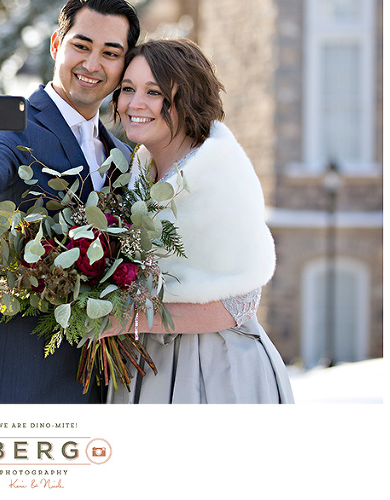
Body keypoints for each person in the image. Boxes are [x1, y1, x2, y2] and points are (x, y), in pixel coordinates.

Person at [0, 0, 141, 403]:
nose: (92, 64)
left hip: (97, 385)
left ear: (123, 66)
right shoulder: (17, 125)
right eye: (81, 46)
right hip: (14, 378)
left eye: (110, 53)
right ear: (55, 44)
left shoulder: (123, 154)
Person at [106, 38, 294, 403]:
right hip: (146, 363)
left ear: (187, 99)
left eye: (154, 92)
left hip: (216, 368)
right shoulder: (137, 170)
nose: (134, 104)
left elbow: (239, 303)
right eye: (128, 89)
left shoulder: (220, 172)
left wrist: (124, 319)